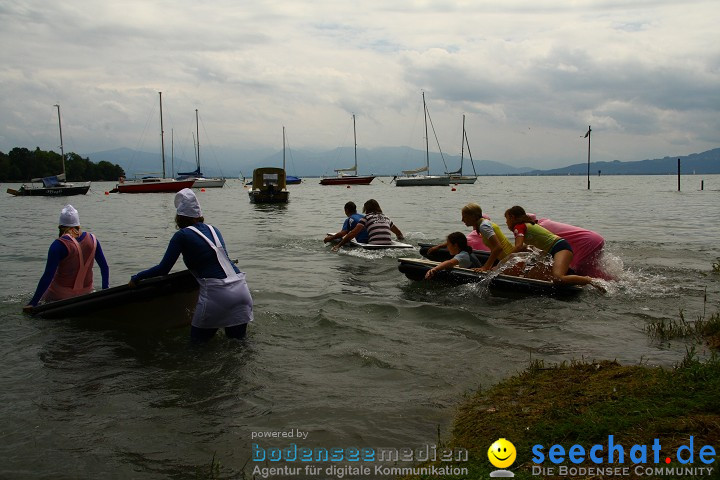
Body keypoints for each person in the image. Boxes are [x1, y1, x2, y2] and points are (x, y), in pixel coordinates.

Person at [130, 188, 253, 342]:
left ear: (179, 217)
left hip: (217, 293)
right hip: (241, 289)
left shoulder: (181, 236)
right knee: (238, 345)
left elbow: (163, 269)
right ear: (198, 215)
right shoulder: (214, 229)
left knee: (197, 349)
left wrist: (137, 277)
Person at [24, 205, 110, 311]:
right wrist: (105, 290)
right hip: (86, 292)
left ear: (60, 226)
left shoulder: (59, 244)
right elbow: (104, 267)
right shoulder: (93, 240)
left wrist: (33, 303)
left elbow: (48, 276)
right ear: (78, 224)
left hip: (60, 295)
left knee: (37, 299)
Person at [504, 205, 603, 289]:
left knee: (558, 278)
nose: (506, 222)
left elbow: (518, 247)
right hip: (552, 252)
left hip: (560, 248)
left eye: (507, 219)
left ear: (512, 217)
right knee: (532, 277)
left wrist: (502, 262)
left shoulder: (519, 227)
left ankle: (591, 281)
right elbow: (523, 249)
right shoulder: (526, 225)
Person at [526, 213, 610, 279]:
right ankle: (612, 281)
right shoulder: (544, 223)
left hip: (588, 243)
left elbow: (542, 253)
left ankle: (601, 285)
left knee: (576, 271)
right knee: (591, 270)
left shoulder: (539, 229)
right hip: (595, 239)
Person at [332, 199, 404, 251]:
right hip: (389, 246)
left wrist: (339, 245)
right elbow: (399, 233)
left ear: (366, 209)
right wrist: (401, 242)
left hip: (374, 247)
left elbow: (353, 233)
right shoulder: (386, 218)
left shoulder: (366, 218)